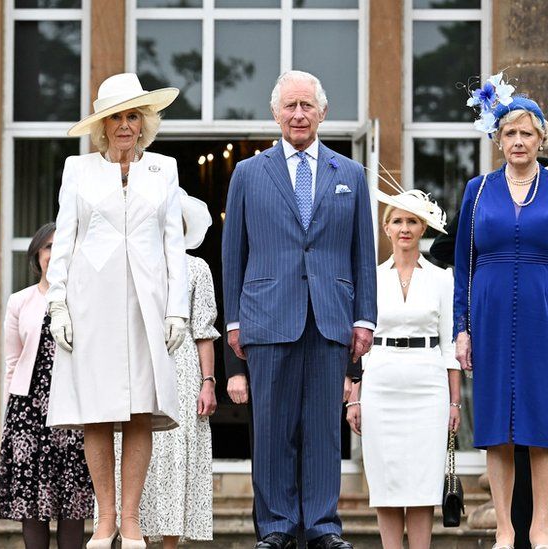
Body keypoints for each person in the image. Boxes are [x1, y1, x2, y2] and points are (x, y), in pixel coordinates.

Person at [222, 70, 377, 549]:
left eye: (307, 105)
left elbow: (362, 252)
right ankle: (275, 526)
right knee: (271, 428)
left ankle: (323, 526)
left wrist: (364, 317)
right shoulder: (249, 173)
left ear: (323, 112)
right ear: (275, 113)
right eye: (290, 106)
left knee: (323, 431)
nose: (298, 114)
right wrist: (233, 320)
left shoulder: (349, 174)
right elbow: (234, 253)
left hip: (330, 316)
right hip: (267, 317)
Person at [45, 72, 188, 549]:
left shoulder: (163, 169)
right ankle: (104, 520)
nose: (124, 126)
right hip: (91, 302)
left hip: (147, 303)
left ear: (144, 122)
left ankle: (131, 521)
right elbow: (63, 241)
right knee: (98, 413)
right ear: (101, 126)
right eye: (115, 118)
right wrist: (58, 304)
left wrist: (178, 310)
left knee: (140, 413)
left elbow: (174, 245)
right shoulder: (77, 170)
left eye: (133, 116)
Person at [429, 154, 548, 549]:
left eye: (527, 134)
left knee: (543, 422)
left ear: (541, 140)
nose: (518, 141)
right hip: (491, 314)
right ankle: (504, 529)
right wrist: (461, 328)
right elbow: (463, 266)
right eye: (510, 134)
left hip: (547, 313)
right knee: (495, 424)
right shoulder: (479, 189)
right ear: (499, 140)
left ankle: (540, 528)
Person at [346, 189, 459, 549]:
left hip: (428, 386)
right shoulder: (370, 279)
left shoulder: (442, 279)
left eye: (412, 221)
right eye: (398, 221)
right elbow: (358, 345)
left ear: (423, 227)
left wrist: (455, 403)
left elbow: (450, 345)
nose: (405, 228)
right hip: (381, 381)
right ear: (386, 228)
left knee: (423, 484)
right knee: (387, 481)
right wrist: (354, 398)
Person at [0, 222, 94, 549]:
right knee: (31, 502)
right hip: (27, 414)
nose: (53, 253)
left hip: (73, 411)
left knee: (72, 501)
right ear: (37, 254)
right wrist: (10, 416)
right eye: (47, 247)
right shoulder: (19, 301)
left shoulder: (85, 301)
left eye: (60, 246)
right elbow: (12, 362)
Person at [129, 190, 218, 547]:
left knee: (177, 456)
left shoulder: (197, 268)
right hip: (138, 366)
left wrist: (208, 382)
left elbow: (204, 330)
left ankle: (169, 543)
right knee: (136, 450)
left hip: (183, 371)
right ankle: (137, 537)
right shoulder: (132, 263)